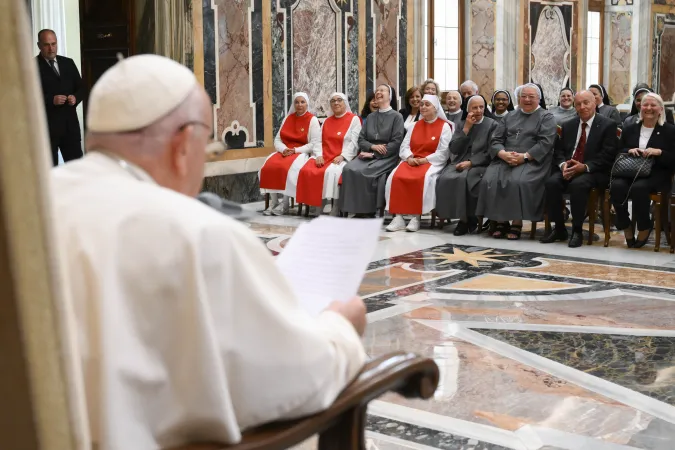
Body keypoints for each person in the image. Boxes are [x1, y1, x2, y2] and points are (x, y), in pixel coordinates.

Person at [49, 54, 367, 449]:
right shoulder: (198, 233)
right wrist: (340, 326)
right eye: (209, 145)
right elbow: (294, 380)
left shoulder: (30, 202)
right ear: (184, 142)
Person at [476, 83, 557, 240]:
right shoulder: (509, 116)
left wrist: (524, 157)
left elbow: (545, 143)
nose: (527, 99)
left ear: (539, 99)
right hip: (505, 158)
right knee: (490, 179)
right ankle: (501, 220)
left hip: (532, 161)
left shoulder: (546, 117)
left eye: (531, 97)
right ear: (518, 99)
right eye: (523, 96)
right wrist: (503, 154)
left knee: (517, 181)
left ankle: (517, 222)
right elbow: (496, 139)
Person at [541, 91, 618, 247]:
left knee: (578, 185)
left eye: (586, 103)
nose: (582, 107)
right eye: (578, 104)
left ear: (594, 103)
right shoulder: (568, 124)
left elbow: (608, 155)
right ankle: (560, 228)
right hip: (569, 168)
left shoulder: (607, 125)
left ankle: (577, 230)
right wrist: (563, 165)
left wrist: (584, 167)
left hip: (594, 171)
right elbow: (559, 151)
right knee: (551, 183)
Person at [610, 93, 675, 248]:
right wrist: (630, 150)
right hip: (630, 171)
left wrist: (659, 152)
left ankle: (644, 226)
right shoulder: (630, 128)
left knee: (639, 188)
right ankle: (625, 225)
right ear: (640, 108)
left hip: (657, 173)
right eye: (645, 105)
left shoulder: (670, 130)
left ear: (660, 109)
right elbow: (619, 151)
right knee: (617, 186)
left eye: (653, 105)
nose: (649, 108)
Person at [384, 95, 453, 232]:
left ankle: (416, 217)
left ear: (435, 108)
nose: (423, 107)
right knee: (395, 177)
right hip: (412, 160)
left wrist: (425, 160)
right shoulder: (414, 125)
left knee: (422, 179)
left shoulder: (444, 126)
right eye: (421, 104)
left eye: (427, 104)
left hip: (432, 162)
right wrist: (409, 157)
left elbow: (444, 152)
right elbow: (404, 146)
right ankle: (398, 217)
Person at [435, 95, 499, 235]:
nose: (478, 110)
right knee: (445, 179)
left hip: (481, 164)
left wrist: (472, 163)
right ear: (468, 109)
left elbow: (492, 151)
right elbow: (454, 148)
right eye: (474, 107)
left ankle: (466, 220)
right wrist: (466, 128)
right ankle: (459, 217)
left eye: (481, 107)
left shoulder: (492, 124)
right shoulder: (462, 123)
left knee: (467, 179)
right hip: (460, 160)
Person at [340, 84, 405, 217]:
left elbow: (397, 142)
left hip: (386, 156)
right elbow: (361, 139)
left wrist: (375, 153)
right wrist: (372, 147)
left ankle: (367, 211)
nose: (378, 92)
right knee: (348, 169)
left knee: (364, 172)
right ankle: (354, 209)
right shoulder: (370, 117)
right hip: (367, 153)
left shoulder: (397, 117)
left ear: (389, 95)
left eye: (382, 90)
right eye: (377, 91)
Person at [295, 93, 361, 215]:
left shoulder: (354, 119)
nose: (336, 103)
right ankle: (318, 203)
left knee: (333, 172)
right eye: (333, 101)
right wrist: (319, 155)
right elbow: (318, 140)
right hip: (324, 155)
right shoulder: (327, 121)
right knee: (307, 170)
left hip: (342, 156)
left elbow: (354, 142)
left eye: (339, 100)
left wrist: (343, 156)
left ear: (345, 102)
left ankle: (335, 205)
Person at [259, 92, 321, 215]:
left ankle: (285, 204)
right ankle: (275, 202)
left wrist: (295, 150)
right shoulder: (288, 118)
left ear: (307, 104)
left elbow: (313, 144)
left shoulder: (312, 120)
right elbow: (277, 139)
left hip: (301, 153)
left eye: (302, 102)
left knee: (287, 169)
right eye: (297, 102)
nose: (299, 105)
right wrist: (283, 149)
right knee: (268, 166)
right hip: (285, 151)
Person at [36, 29, 85, 166]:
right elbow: (28, 98)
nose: (51, 48)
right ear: (39, 45)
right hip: (47, 131)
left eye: (54, 44)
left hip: (70, 128)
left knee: (77, 170)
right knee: (49, 172)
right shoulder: (32, 67)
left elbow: (82, 88)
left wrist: (75, 98)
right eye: (46, 45)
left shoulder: (68, 63)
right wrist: (51, 100)